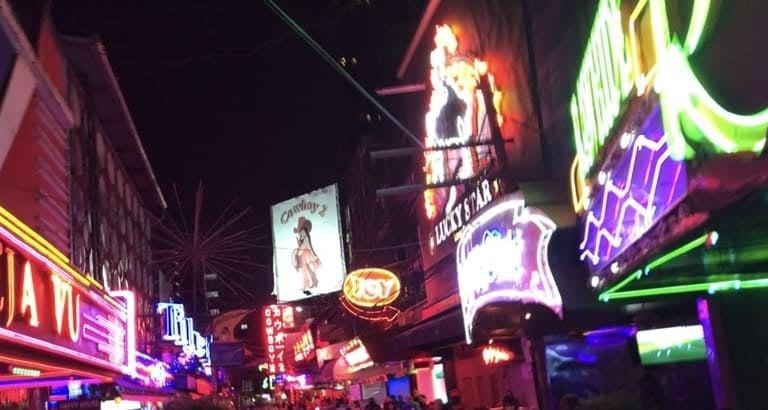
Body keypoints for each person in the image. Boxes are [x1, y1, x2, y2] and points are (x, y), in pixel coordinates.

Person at [291, 216, 321, 293]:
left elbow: (302, 249)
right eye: (299, 233)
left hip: (307, 257)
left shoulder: (306, 239)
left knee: (309, 269)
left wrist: (298, 251)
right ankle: (306, 284)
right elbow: (300, 250)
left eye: (301, 232)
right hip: (303, 257)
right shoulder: (302, 238)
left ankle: (312, 282)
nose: (300, 234)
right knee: (304, 271)